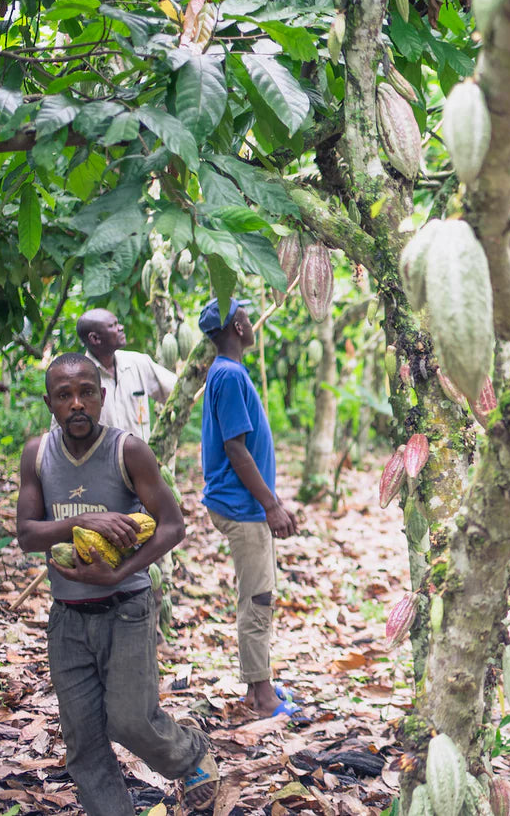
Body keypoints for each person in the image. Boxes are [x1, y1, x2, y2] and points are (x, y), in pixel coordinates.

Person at [16, 353, 218, 813]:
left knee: (130, 721)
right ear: (51, 403)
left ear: (102, 397)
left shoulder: (128, 451)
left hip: (126, 607)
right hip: (67, 617)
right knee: (83, 745)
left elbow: (172, 525)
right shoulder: (38, 454)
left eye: (87, 392)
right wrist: (83, 520)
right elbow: (27, 533)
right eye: (64, 396)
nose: (77, 404)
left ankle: (192, 755)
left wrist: (120, 571)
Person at [197, 298, 305, 721]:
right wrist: (271, 505)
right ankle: (260, 695)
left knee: (258, 592)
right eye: (243, 313)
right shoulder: (227, 375)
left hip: (244, 504)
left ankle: (260, 682)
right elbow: (235, 449)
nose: (249, 318)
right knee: (258, 597)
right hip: (240, 506)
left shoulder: (229, 373)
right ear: (238, 326)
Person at [77, 308, 177, 442]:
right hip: (101, 463)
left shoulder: (138, 363)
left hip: (140, 461)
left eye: (118, 323)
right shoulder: (76, 378)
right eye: (113, 326)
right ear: (95, 338)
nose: (121, 328)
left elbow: (178, 391)